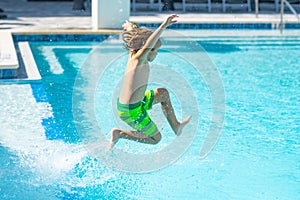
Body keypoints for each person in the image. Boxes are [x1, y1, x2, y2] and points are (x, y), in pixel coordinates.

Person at [110, 14, 191, 149]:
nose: (157, 54)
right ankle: (120, 134)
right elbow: (148, 44)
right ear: (147, 50)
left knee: (163, 93)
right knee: (155, 139)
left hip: (137, 102)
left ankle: (176, 126)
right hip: (131, 110)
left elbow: (136, 36)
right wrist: (163, 26)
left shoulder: (133, 53)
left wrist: (129, 26)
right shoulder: (138, 61)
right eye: (156, 50)